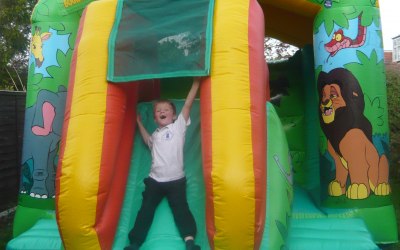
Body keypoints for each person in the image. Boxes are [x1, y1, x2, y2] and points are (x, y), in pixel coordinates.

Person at [125, 77, 201, 250]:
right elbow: (147, 140)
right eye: (159, 110)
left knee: (181, 209)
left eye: (166, 109)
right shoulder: (156, 135)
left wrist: (196, 83)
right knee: (145, 210)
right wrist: (138, 122)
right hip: (155, 181)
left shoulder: (178, 127)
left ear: (173, 115)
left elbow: (188, 104)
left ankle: (189, 240)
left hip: (176, 180)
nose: (162, 111)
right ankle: (135, 243)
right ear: (155, 118)